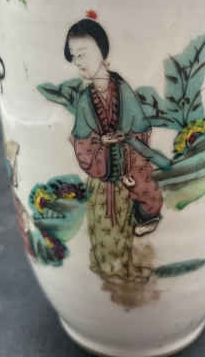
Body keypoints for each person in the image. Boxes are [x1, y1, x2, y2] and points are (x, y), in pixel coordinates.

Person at [65, 14, 168, 283]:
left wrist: (132, 165)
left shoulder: (123, 91)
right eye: (74, 57)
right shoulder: (85, 100)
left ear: (101, 51)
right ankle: (109, 273)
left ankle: (122, 270)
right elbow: (81, 144)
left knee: (121, 225)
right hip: (101, 180)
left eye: (83, 54)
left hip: (124, 175)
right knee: (103, 226)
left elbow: (140, 133)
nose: (78, 62)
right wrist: (100, 144)